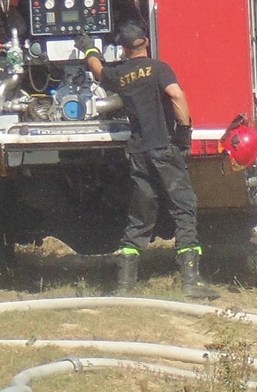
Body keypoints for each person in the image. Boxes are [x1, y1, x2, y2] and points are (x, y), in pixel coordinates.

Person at [81, 22, 214, 299]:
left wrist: (89, 48)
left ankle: (125, 285)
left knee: (140, 216)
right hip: (165, 148)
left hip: (139, 152)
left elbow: (98, 69)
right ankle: (191, 282)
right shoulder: (159, 68)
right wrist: (185, 132)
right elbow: (176, 94)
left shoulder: (119, 74)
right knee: (183, 208)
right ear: (146, 43)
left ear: (124, 48)